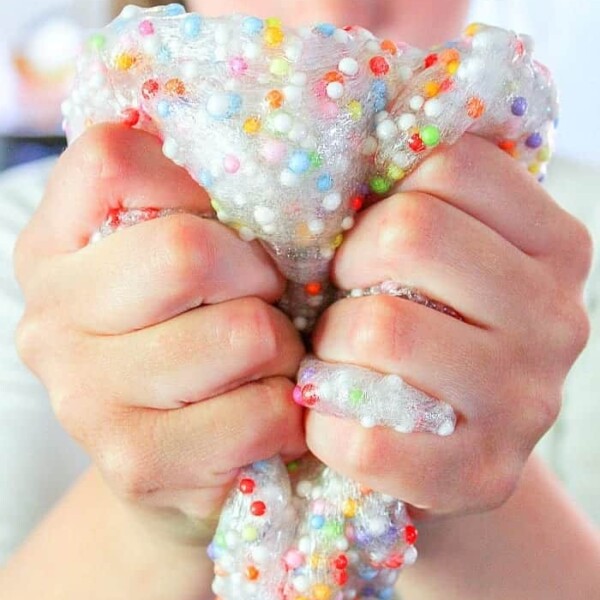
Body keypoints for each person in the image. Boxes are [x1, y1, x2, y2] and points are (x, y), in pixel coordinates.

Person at [1, 1, 599, 598]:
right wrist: (151, 525)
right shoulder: (23, 231)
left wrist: (444, 486)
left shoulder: (579, 235)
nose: (336, 8)